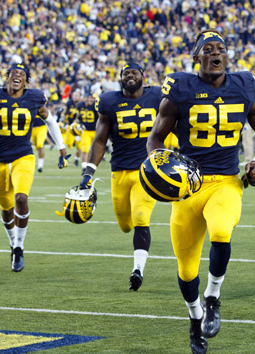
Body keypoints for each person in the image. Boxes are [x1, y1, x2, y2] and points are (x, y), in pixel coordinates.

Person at [146, 30, 255, 354]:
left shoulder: (244, 85)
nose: (215, 53)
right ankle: (195, 317)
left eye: (220, 49)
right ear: (196, 58)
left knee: (221, 232)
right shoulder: (180, 88)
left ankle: (213, 297)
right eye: (207, 49)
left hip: (226, 182)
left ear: (227, 57)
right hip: (188, 187)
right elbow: (156, 138)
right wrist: (159, 164)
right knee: (187, 270)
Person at [0, 63, 68, 272]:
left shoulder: (35, 97)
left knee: (21, 198)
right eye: (14, 73)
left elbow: (50, 121)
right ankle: (12, 242)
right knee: (6, 210)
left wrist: (61, 147)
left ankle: (19, 247)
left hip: (23, 155)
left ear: (26, 81)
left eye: (22, 75)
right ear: (7, 77)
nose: (17, 76)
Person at [79, 63, 161, 291]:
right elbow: (99, 140)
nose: (130, 76)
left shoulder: (156, 96)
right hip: (120, 172)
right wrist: (88, 171)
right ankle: (136, 254)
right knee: (126, 225)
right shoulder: (109, 101)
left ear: (143, 76)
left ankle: (138, 269)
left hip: (148, 171)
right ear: (121, 79)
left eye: (134, 72)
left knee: (142, 217)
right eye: (126, 73)